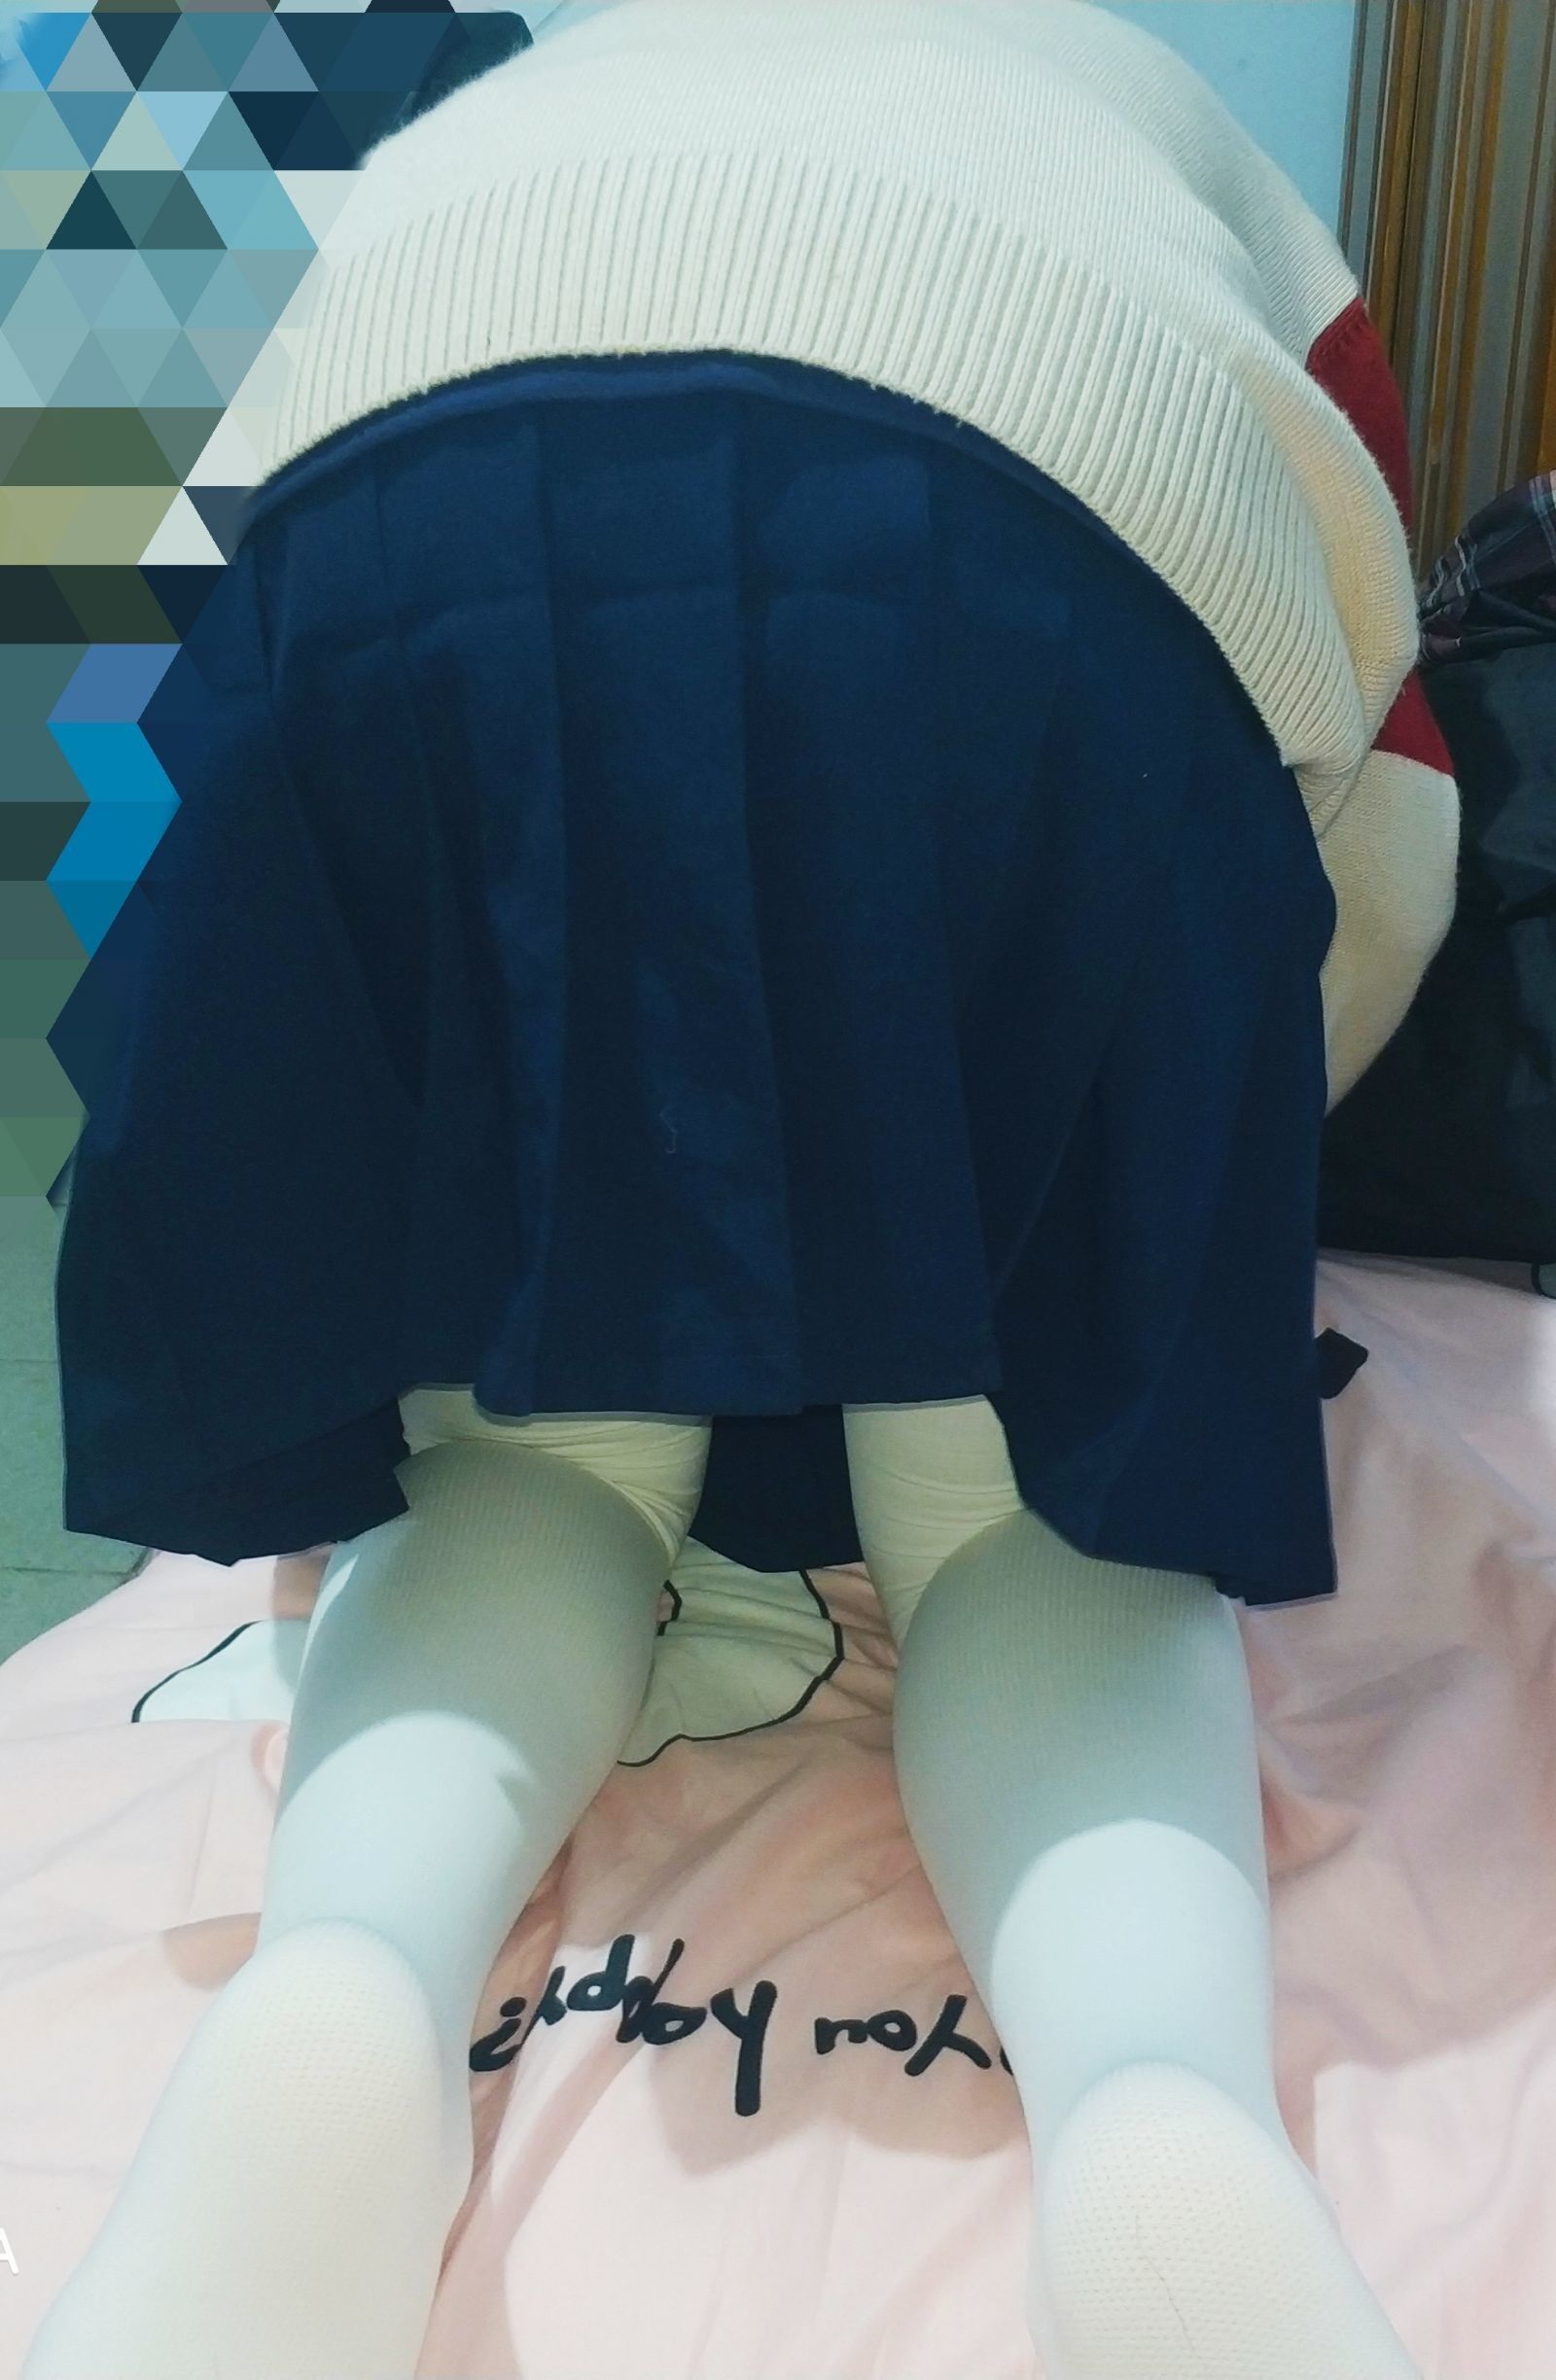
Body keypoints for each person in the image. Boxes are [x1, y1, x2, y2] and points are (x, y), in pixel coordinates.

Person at [31, 4, 1460, 2374]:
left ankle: (338, 1989)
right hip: (1017, 543)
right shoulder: (1199, 159)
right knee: (1021, 1509)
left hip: (395, 531)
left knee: (527, 1453)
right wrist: (1159, 1178)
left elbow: (202, 629)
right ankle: (1158, 2119)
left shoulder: (538, 89)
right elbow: (1372, 772)